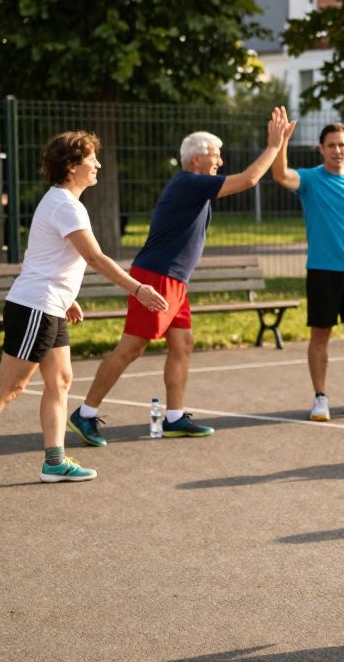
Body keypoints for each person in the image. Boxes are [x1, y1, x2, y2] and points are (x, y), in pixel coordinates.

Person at [0, 132, 169, 492]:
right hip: (34, 308)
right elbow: (94, 258)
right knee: (10, 386)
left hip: (50, 305)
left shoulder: (64, 202)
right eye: (92, 160)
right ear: (72, 167)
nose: (98, 165)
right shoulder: (65, 205)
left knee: (60, 381)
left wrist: (66, 296)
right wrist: (137, 289)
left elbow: (45, 256)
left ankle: (54, 462)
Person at [65, 108, 291, 445]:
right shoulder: (188, 182)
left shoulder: (194, 185)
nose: (220, 162)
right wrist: (274, 146)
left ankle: (173, 417)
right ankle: (85, 413)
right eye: (215, 156)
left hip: (175, 282)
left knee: (183, 343)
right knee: (131, 348)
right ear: (196, 159)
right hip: (156, 277)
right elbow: (248, 180)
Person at [274, 116, 344, 420]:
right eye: (331, 145)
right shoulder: (310, 179)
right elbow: (280, 174)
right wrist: (282, 140)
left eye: (342, 144)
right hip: (322, 270)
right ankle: (320, 397)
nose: (337, 150)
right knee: (320, 335)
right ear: (321, 149)